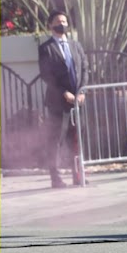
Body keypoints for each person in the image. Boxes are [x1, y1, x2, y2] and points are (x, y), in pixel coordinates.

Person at [38, 11, 88, 188]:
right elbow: (47, 75)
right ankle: (56, 177)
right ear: (51, 25)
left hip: (77, 102)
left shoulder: (76, 46)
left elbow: (85, 68)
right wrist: (63, 93)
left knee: (77, 140)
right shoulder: (46, 48)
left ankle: (78, 175)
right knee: (56, 140)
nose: (62, 24)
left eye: (65, 21)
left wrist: (81, 91)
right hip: (58, 104)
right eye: (59, 21)